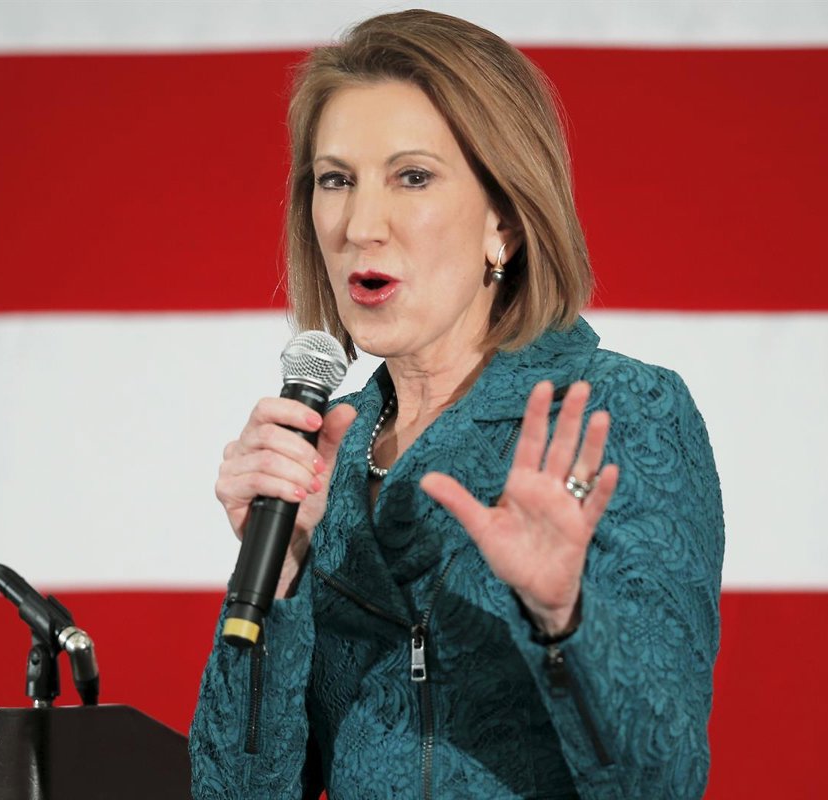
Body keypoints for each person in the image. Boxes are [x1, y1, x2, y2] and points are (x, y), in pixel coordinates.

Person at [190, 9, 724, 799]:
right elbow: (233, 790)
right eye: (336, 180)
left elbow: (663, 780)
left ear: (504, 221)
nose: (360, 225)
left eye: (412, 177)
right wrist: (284, 572)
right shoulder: (324, 454)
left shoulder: (619, 412)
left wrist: (563, 617)